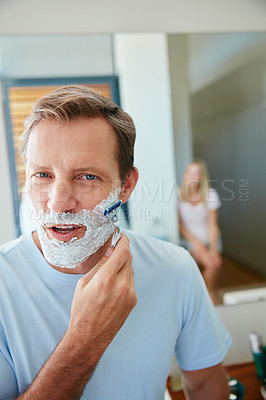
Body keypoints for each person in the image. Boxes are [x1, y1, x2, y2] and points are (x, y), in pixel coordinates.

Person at [0, 86, 231, 400]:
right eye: (42, 175)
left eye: (87, 177)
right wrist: (85, 340)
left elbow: (205, 385)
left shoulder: (175, 268)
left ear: (126, 186)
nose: (58, 203)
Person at [178, 159, 222, 304]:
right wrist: (197, 242)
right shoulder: (177, 194)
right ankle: (208, 294)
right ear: (185, 175)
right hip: (191, 240)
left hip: (210, 238)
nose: (193, 175)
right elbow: (181, 226)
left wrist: (214, 249)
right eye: (190, 172)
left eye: (197, 173)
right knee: (211, 264)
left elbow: (213, 225)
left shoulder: (210, 194)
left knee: (215, 261)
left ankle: (205, 294)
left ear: (202, 177)